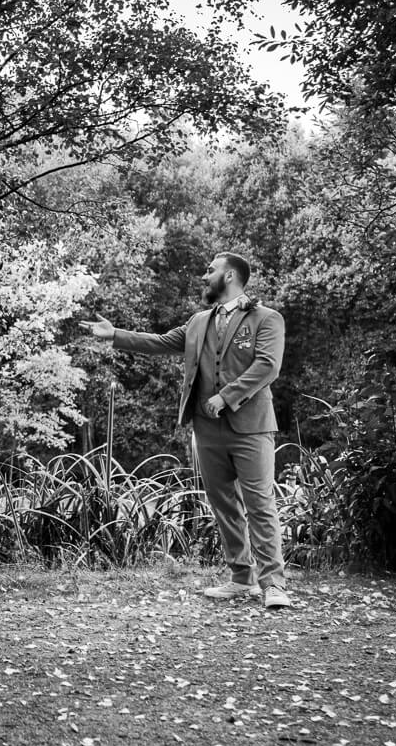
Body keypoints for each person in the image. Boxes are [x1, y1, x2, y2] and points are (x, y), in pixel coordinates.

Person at [80, 252, 291, 610]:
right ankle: (242, 579)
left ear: (231, 275)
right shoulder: (198, 322)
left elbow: (267, 367)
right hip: (206, 429)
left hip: (251, 427)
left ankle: (273, 584)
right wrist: (115, 334)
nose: (204, 276)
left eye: (210, 270)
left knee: (260, 504)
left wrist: (226, 397)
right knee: (224, 504)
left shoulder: (266, 319)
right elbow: (161, 342)